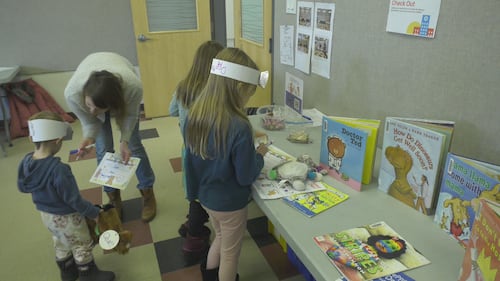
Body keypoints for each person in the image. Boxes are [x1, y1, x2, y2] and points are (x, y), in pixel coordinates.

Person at [183, 48, 269, 281]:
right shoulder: (239, 126)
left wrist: (192, 194)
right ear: (239, 89)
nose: (247, 100)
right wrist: (259, 155)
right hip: (231, 204)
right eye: (249, 94)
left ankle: (208, 277)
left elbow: (188, 163)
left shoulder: (194, 115)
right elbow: (245, 176)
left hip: (207, 199)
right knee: (231, 255)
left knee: (219, 239)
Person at [17, 111, 115, 281]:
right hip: (68, 218)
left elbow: (21, 186)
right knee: (81, 244)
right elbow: (74, 200)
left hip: (47, 216)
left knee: (61, 241)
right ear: (57, 140)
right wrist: (94, 212)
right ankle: (88, 274)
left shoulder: (26, 162)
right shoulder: (59, 170)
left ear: (31, 139)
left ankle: (68, 271)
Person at [65, 52, 156, 222]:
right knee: (103, 150)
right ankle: (113, 198)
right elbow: (90, 122)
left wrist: (125, 141)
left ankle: (148, 193)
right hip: (96, 80)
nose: (92, 112)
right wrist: (88, 138)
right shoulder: (72, 94)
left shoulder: (132, 87)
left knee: (134, 147)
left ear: (113, 106)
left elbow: (130, 116)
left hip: (121, 91)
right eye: (89, 105)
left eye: (98, 109)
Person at [169, 40, 224, 254]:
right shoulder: (215, 92)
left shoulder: (184, 86)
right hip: (209, 153)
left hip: (188, 151)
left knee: (194, 191)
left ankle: (191, 223)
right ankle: (193, 235)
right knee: (203, 195)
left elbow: (172, 110)